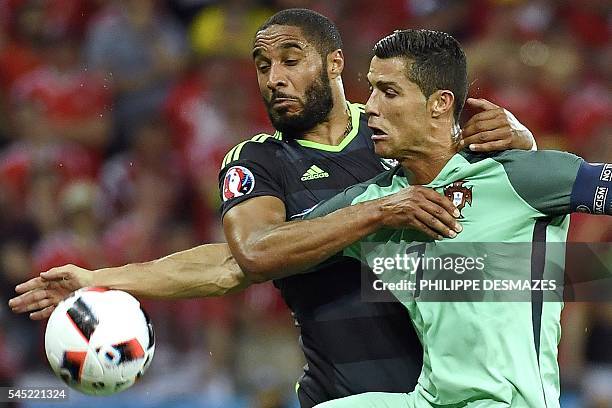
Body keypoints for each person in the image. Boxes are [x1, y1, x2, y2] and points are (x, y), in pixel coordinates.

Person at [9, 9, 537, 407]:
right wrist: (99, 279)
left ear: (334, 64)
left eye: (289, 61)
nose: (273, 78)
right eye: (263, 66)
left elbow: (512, 239)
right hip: (345, 395)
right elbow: (243, 259)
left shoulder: (402, 129)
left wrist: (522, 144)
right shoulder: (260, 161)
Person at [300, 29, 612, 407]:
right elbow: (257, 254)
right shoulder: (376, 201)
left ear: (440, 103)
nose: (371, 108)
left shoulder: (519, 176)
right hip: (429, 400)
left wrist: (527, 143)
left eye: (389, 92)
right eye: (371, 90)